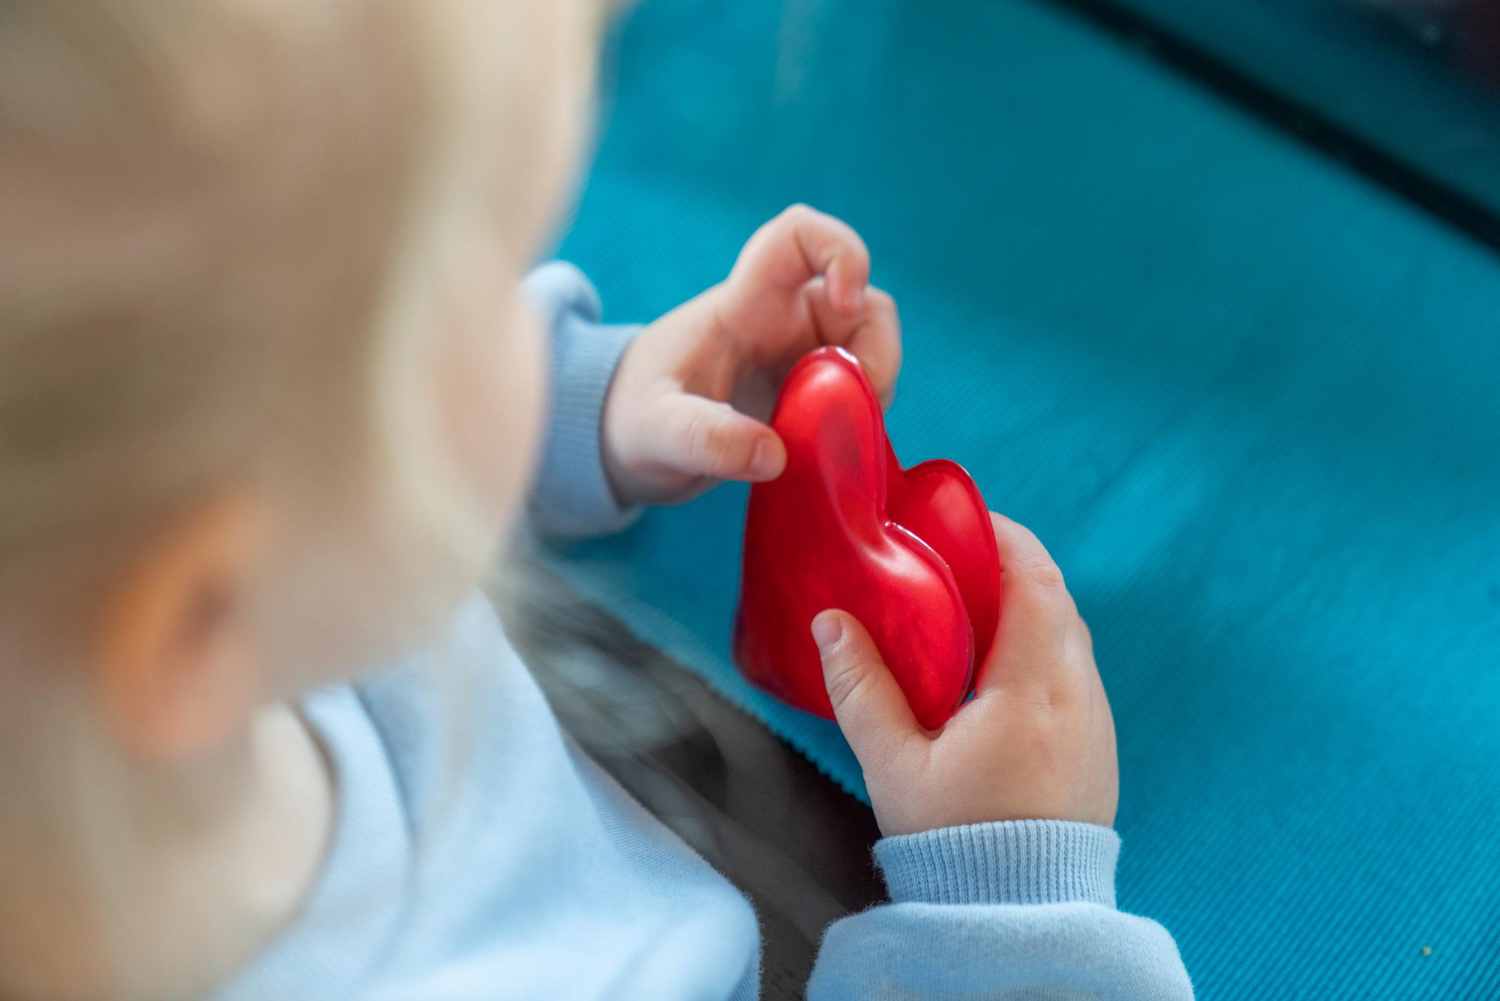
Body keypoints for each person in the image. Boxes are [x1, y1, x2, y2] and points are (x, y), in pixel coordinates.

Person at [0, 2, 1192, 997]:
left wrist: (593, 405)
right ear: (200, 618)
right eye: (474, 288)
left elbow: (236, 430)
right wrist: (1018, 909)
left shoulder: (111, 587)